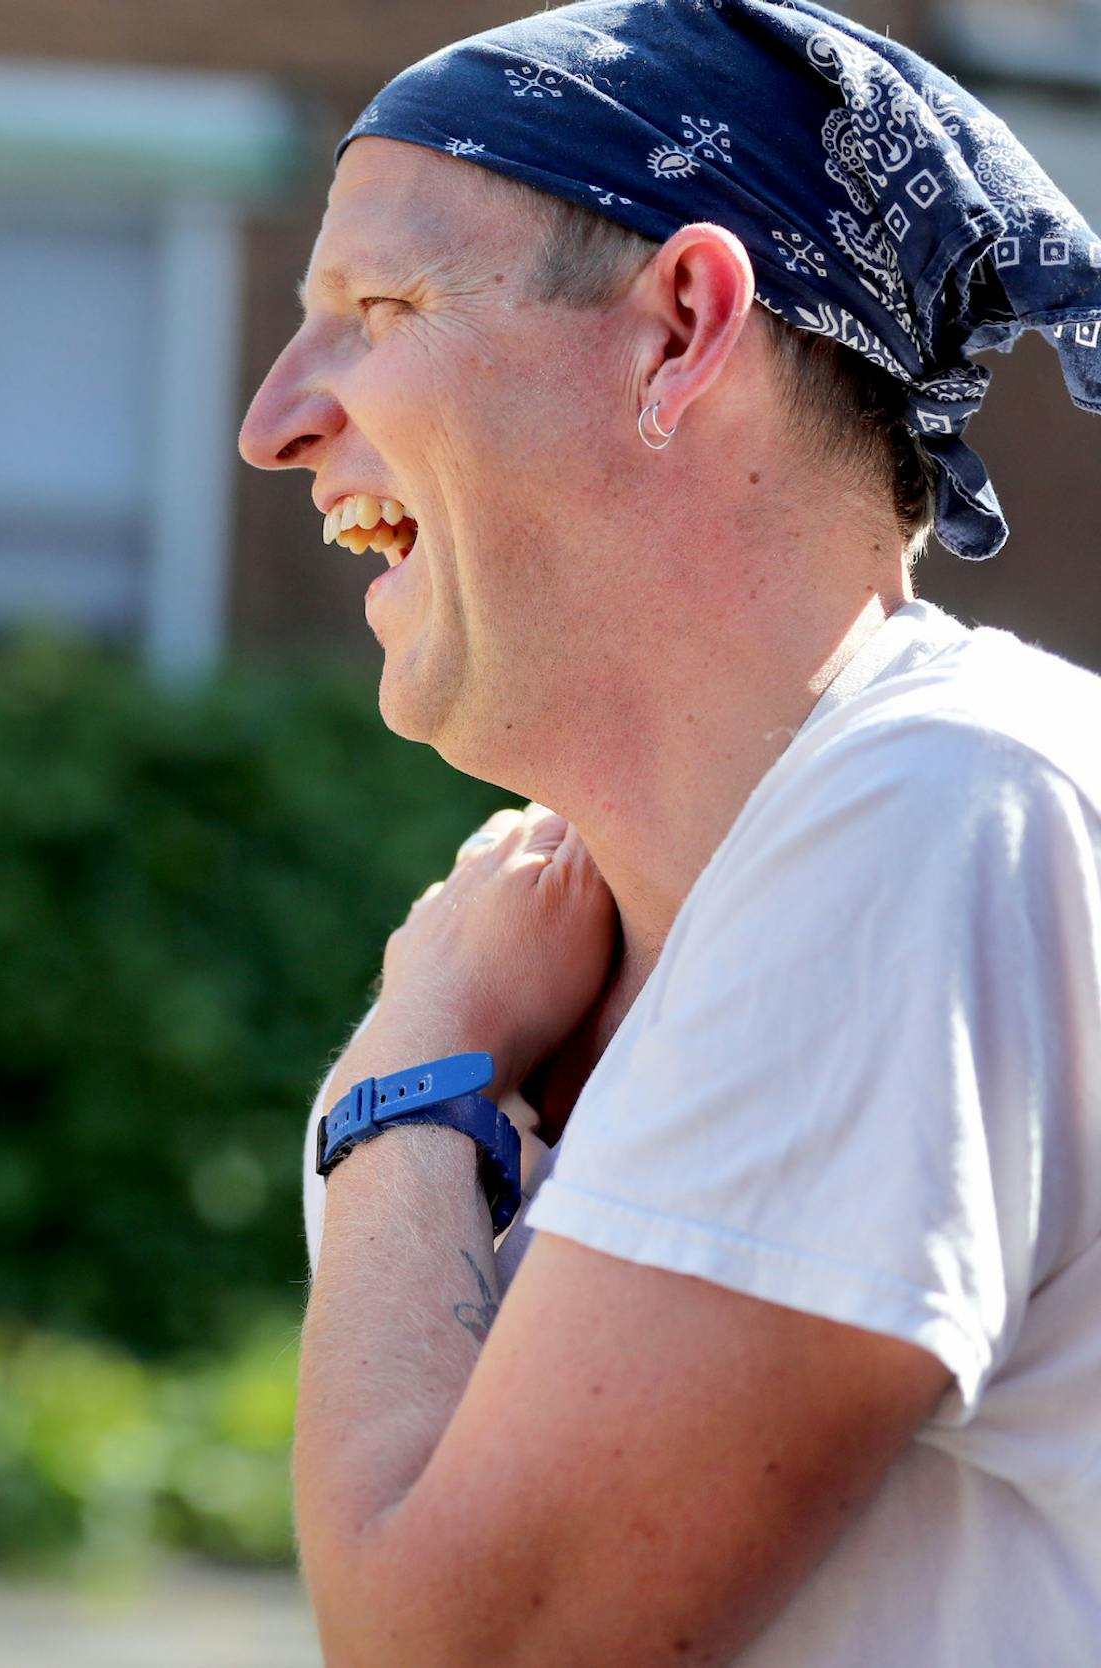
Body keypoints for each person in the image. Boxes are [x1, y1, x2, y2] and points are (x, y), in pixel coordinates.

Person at [237, 1, 1101, 1662]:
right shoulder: (549, 965)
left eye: (380, 307)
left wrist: (400, 1089)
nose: (275, 420)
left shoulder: (942, 807)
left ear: (682, 328)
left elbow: (467, 1649)